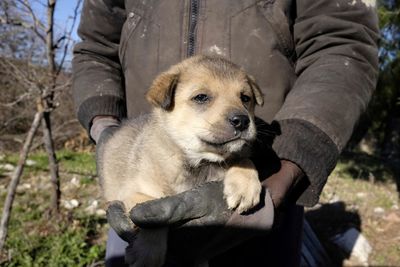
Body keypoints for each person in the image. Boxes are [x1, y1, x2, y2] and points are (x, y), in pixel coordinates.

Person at [72, 0, 379, 266]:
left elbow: (344, 40)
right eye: (202, 98)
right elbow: (96, 48)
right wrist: (105, 128)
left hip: (273, 188)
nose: (239, 114)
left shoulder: (250, 160)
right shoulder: (152, 150)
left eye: (244, 98)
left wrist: (280, 176)